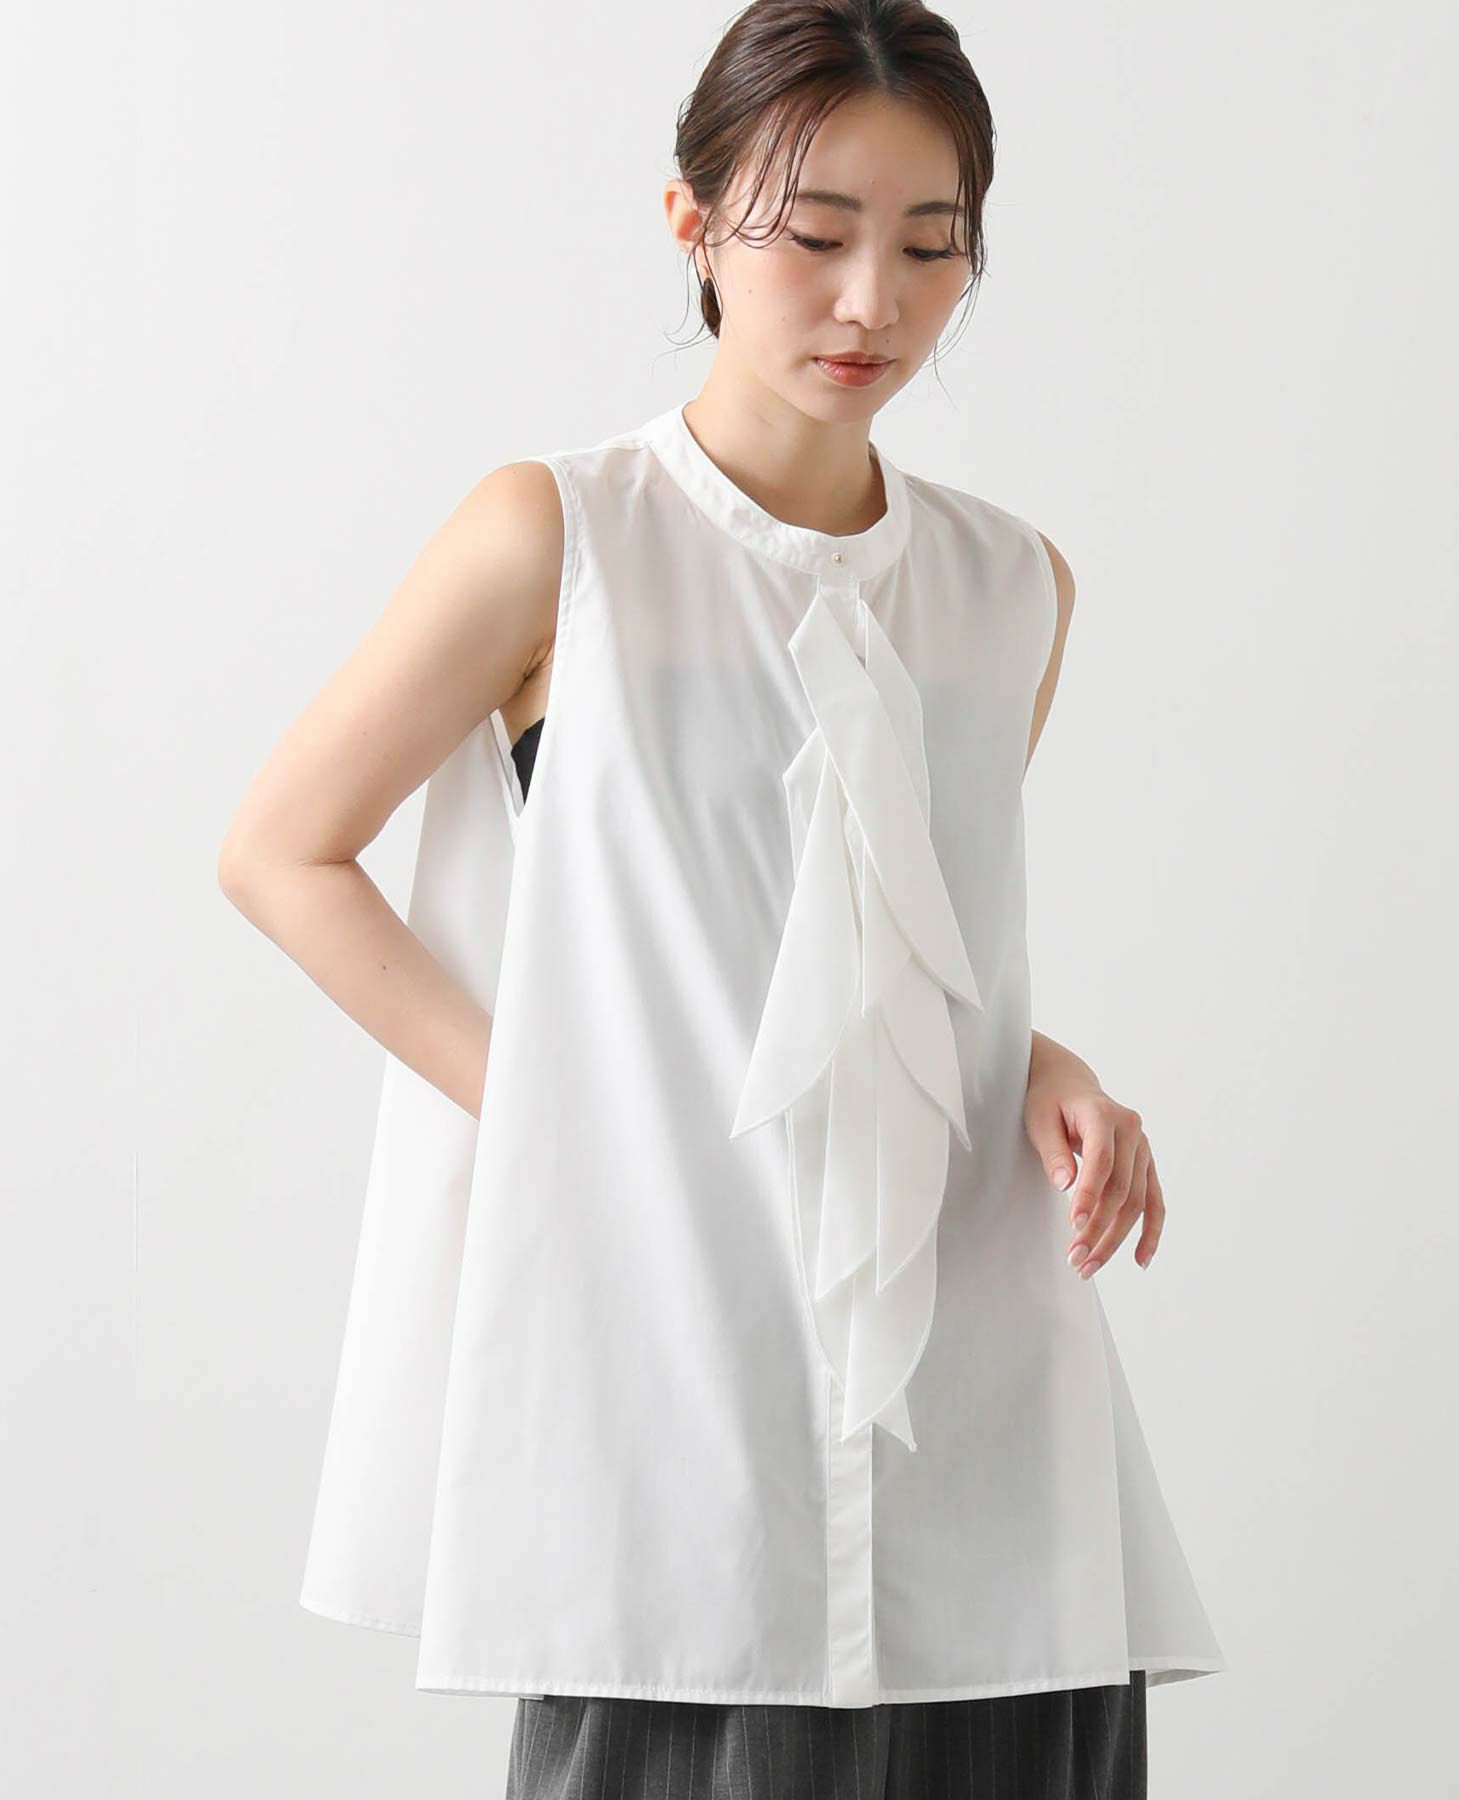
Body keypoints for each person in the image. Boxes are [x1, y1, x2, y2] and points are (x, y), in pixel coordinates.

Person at [219, 2, 1225, 1793]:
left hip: (988, 1419)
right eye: (813, 234)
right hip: (679, 1394)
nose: (872, 302)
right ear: (692, 226)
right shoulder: (559, 539)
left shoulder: (1012, 589)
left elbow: (879, 946)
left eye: (931, 245)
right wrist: (558, 1106)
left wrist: (1045, 1068)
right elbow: (282, 851)